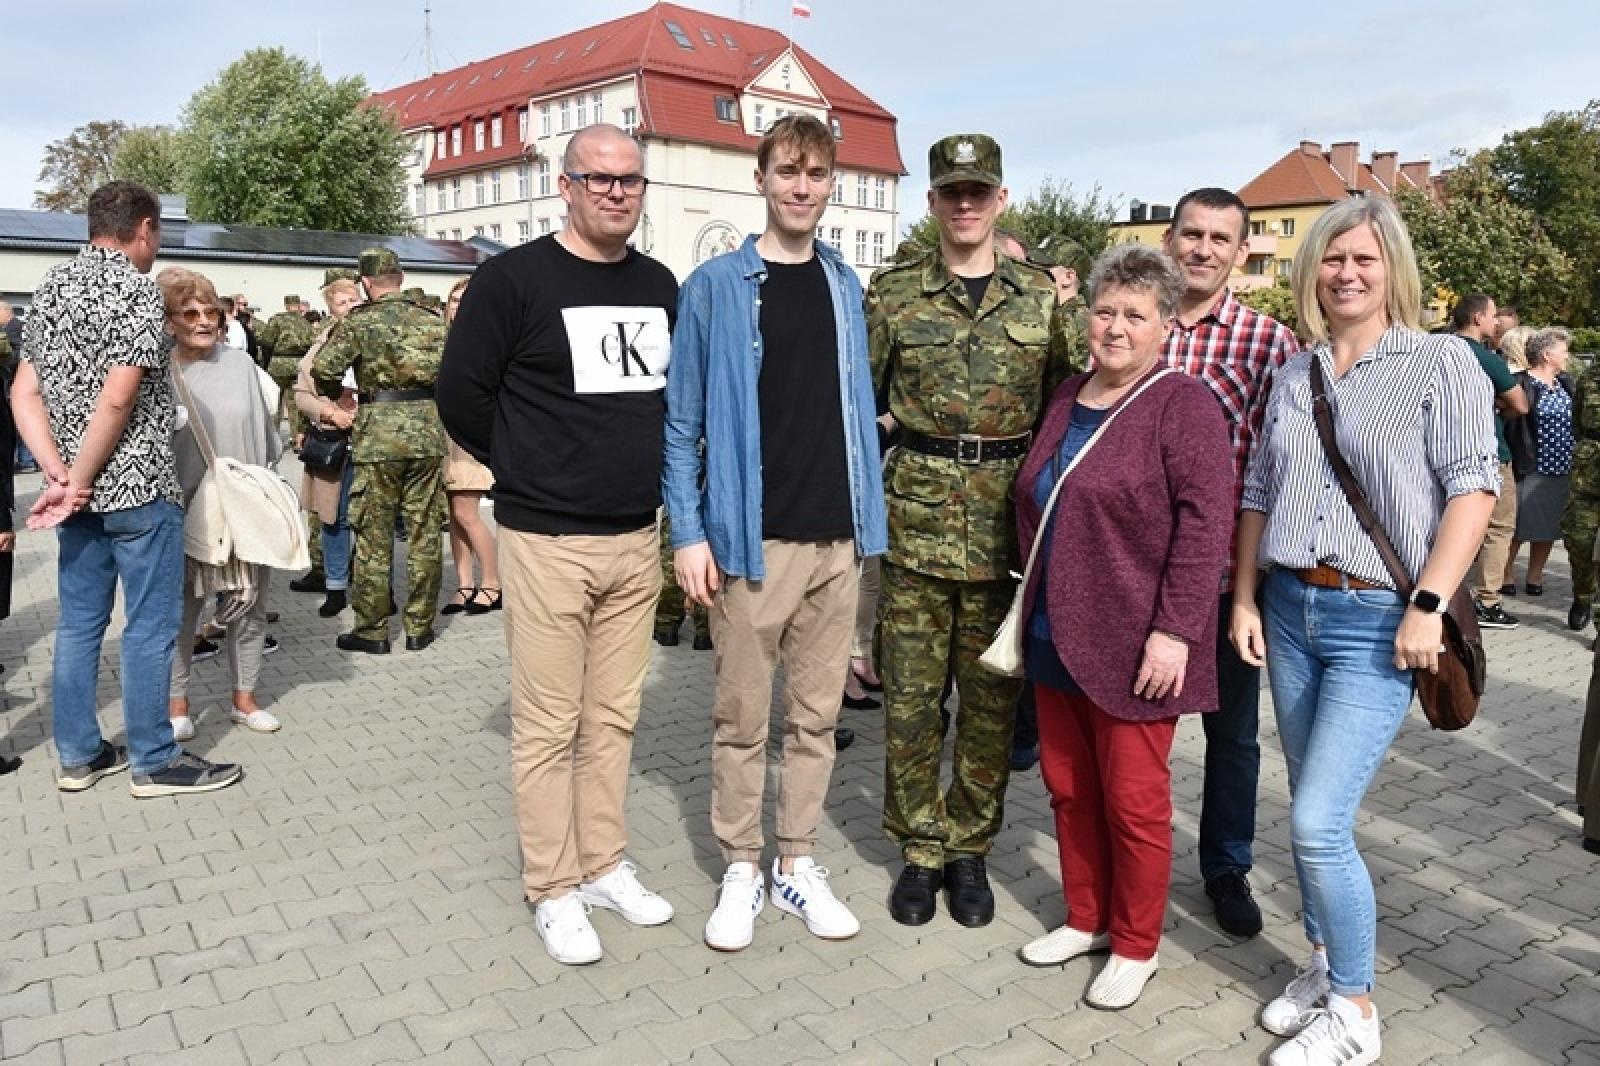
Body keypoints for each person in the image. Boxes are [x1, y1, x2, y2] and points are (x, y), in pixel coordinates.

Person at [1230, 195, 1497, 1066]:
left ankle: (1355, 1010)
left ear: (1393, 271)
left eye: (1364, 260)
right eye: (1332, 259)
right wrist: (1241, 597)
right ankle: (1320, 963)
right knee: (1315, 803)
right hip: (1289, 608)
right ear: (1310, 271)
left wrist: (1428, 602)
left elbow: (1472, 488)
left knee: (1315, 822)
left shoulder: (1439, 361)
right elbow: (1259, 493)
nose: (1346, 273)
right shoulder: (1293, 373)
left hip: (1378, 621)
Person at [436, 124, 679, 965]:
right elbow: (461, 393)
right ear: (566, 187)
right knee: (547, 724)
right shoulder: (512, 281)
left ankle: (604, 863)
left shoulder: (658, 284)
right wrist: (529, 465)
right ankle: (553, 886)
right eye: (599, 179)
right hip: (546, 537)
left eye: (631, 181)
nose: (617, 193)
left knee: (613, 718)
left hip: (636, 536)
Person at [665, 114, 887, 951]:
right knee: (741, 719)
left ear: (831, 185)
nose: (802, 187)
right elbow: (681, 422)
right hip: (752, 540)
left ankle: (796, 862)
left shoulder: (841, 282)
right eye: (788, 171)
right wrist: (688, 534)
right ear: (760, 179)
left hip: (839, 540)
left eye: (818, 174)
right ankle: (740, 866)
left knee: (816, 718)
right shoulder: (717, 286)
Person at [869, 134, 1081, 928]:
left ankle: (969, 851)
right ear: (932, 203)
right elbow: (861, 408)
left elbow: (1068, 409)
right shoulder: (893, 296)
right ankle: (918, 850)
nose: (965, 204)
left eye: (978, 191)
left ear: (1001, 200)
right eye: (951, 192)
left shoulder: (1040, 299)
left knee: (992, 705)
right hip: (916, 527)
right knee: (915, 705)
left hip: (1004, 536)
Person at [1014, 243, 1233, 1009]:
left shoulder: (1185, 405)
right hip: (1052, 630)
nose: (1115, 327)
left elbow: (1206, 530)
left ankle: (1136, 943)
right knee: (1069, 787)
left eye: (1134, 315)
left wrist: (1175, 630)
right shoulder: (1068, 394)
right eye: (1104, 310)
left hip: (1137, 642)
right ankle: (1086, 916)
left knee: (1134, 801)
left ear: (1166, 325)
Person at [11, 180, 242, 797]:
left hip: (76, 497)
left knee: (80, 624)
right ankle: (154, 760)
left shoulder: (51, 289)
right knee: (148, 625)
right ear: (144, 230)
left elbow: (22, 394)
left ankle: (79, 756)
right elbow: (118, 396)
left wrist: (55, 474)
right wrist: (80, 479)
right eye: (157, 235)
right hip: (136, 487)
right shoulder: (136, 294)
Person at [1159, 187, 1300, 938]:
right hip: (1137, 576)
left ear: (1241, 252)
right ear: (1170, 239)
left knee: (1233, 736)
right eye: (1192, 234)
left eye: (1220, 238)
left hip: (1223, 581)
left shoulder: (1267, 343)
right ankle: (1135, 861)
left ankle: (1225, 866)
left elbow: (1273, 473)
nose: (1203, 249)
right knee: (1136, 729)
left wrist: (1250, 588)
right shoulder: (1134, 323)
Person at [162, 271, 283, 738]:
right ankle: (176, 706)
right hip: (186, 506)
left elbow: (269, 437)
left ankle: (244, 700)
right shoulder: (159, 370)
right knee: (184, 609)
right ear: (170, 321)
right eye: (191, 313)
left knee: (249, 603)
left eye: (212, 312)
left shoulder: (241, 366)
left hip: (244, 506)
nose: (204, 321)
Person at [312, 248, 447, 654]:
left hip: (378, 434)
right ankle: (420, 627)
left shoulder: (359, 322)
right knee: (425, 532)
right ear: (401, 278)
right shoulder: (432, 320)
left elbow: (324, 369)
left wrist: (340, 397)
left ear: (366, 284)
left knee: (373, 534)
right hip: (426, 431)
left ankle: (372, 631)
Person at [1452, 293, 1528, 630]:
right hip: (1489, 454)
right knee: (1498, 529)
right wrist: (1500, 407)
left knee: (1447, 525)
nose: (1496, 322)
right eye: (1493, 315)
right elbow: (1521, 405)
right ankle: (1488, 600)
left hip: (1443, 452)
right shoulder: (1486, 359)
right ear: (1478, 318)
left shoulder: (1435, 350)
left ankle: (1443, 592)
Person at [293, 270, 363, 617]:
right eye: (342, 302)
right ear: (330, 308)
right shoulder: (320, 346)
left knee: (370, 521)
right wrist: (328, 413)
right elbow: (301, 394)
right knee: (333, 520)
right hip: (333, 443)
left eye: (354, 299)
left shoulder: (376, 340)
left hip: (371, 442)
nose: (349, 306)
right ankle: (335, 586)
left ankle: (376, 588)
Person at [438, 276, 501, 618]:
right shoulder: (439, 341)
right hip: (441, 438)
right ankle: (464, 585)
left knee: (466, 512)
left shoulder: (484, 341)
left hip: (469, 439)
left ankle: (492, 582)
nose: (458, 307)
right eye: (454, 301)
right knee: (455, 516)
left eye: (465, 300)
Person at [1504, 329, 1575, 596]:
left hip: (1561, 467)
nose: (1567, 355)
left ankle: (1535, 577)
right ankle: (1505, 573)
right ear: (1546, 355)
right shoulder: (1520, 383)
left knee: (1548, 526)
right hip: (1530, 465)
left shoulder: (1566, 383)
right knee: (1519, 525)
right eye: (1563, 350)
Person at [1562, 357, 1600, 633]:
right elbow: (1577, 424)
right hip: (1588, 471)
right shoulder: (1590, 378)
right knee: (1580, 539)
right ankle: (1583, 596)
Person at [654, 515, 711, 649]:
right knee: (709, 563)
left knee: (673, 561)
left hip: (681, 509)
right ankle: (705, 632)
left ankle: (667, 627)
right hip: (717, 503)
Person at [257, 293, 316, 414]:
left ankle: (272, 430)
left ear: (286, 305)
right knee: (294, 403)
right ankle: (297, 432)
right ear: (299, 305)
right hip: (298, 364)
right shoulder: (305, 323)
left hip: (279, 363)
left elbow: (267, 341)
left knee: (273, 399)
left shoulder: (277, 319)